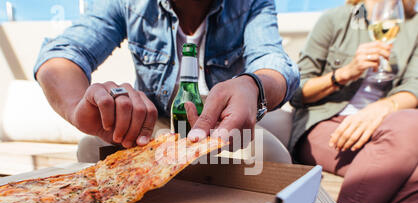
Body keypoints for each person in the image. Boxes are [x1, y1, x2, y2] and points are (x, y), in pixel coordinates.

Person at [34, 0, 299, 163]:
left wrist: (253, 86)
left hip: (224, 126)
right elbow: (62, 55)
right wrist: (76, 106)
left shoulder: (251, 2)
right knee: (91, 148)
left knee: (271, 156)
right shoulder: (128, 3)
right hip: (159, 123)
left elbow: (272, 61)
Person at [290, 0, 418, 203]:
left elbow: (414, 86)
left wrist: (381, 108)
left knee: (411, 127)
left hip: (387, 129)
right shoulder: (334, 19)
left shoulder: (415, 26)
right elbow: (297, 90)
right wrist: (347, 72)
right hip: (326, 124)